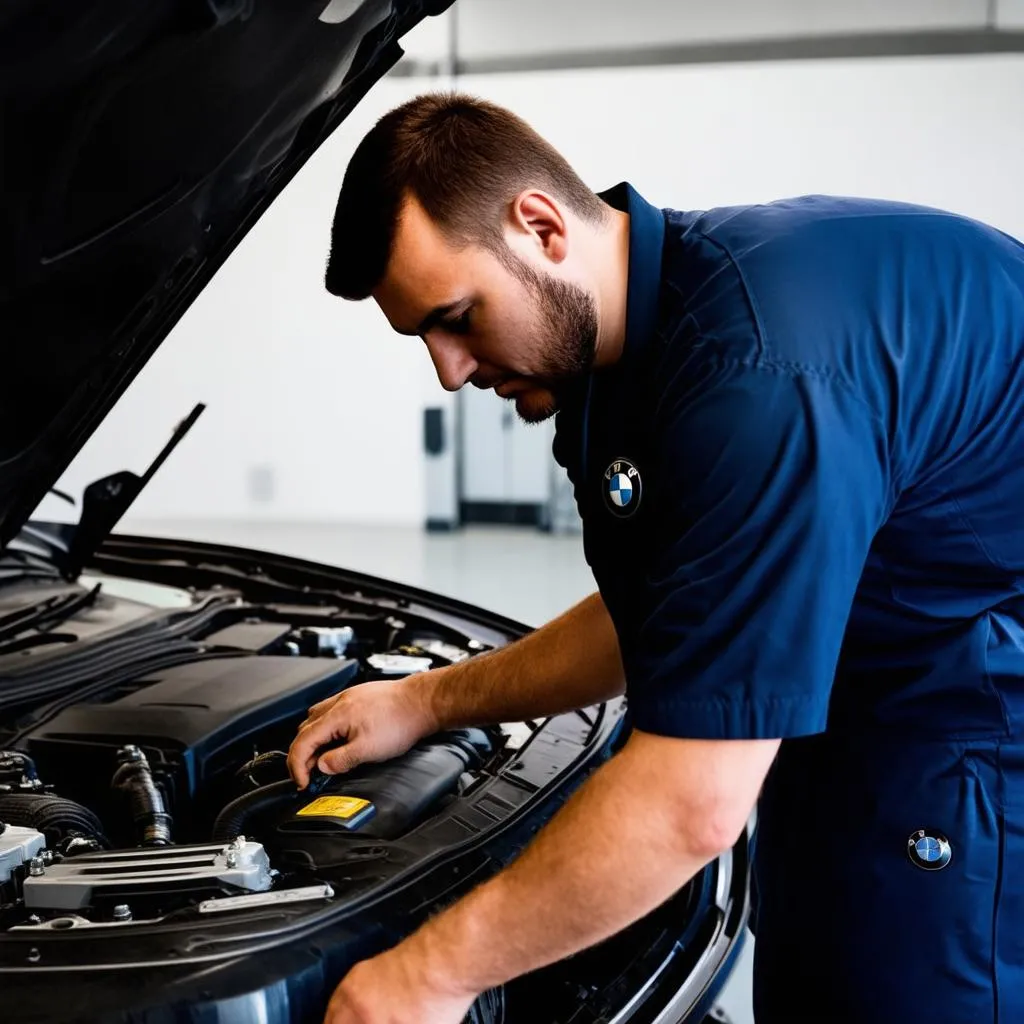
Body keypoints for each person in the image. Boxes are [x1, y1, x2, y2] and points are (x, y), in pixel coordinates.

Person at [287, 92, 1024, 1024]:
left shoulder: (754, 379)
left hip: (975, 728)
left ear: (541, 227)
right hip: (865, 695)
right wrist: (426, 699)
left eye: (460, 316)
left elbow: (692, 808)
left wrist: (429, 977)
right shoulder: (640, 347)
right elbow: (679, 608)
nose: (449, 370)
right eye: (424, 338)